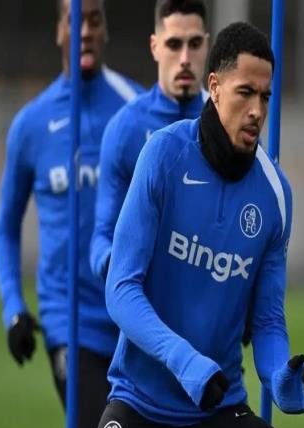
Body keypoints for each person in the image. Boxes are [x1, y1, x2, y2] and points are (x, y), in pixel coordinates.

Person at [94, 22, 304, 428]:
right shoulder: (163, 155)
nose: (257, 110)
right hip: (140, 404)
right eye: (245, 92)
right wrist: (184, 360)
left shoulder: (276, 194)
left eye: (265, 96)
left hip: (219, 409)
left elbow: (268, 319)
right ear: (214, 87)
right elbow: (121, 289)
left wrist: (279, 378)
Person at [0, 0, 144, 428]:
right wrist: (13, 309)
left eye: (94, 20)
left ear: (106, 30)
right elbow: (5, 228)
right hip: (69, 321)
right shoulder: (31, 126)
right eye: (75, 20)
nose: (85, 31)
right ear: (59, 30)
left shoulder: (135, 109)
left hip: (133, 319)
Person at [90, 0, 209, 282]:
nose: (185, 58)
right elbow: (101, 238)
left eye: (194, 44)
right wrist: (120, 265)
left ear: (207, 45)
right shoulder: (125, 128)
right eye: (174, 44)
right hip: (144, 300)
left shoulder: (230, 124)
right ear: (155, 47)